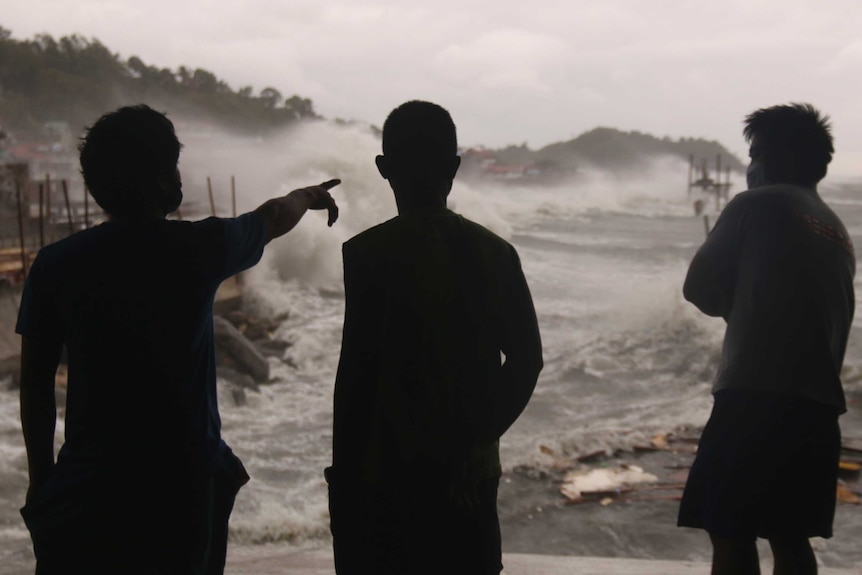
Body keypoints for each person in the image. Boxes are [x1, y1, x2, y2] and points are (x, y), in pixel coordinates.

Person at [17, 104, 339, 574]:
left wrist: (42, 481)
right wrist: (308, 194)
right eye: (172, 166)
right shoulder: (199, 249)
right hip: (182, 487)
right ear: (163, 178)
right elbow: (272, 216)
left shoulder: (55, 265)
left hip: (90, 492)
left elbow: (35, 384)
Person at [326, 100, 543, 575]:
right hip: (468, 478)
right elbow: (528, 360)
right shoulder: (495, 253)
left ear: (384, 170)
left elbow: (356, 378)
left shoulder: (364, 255)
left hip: (383, 478)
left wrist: (341, 482)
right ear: (454, 169)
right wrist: (477, 439)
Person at [678, 103, 855, 575]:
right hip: (817, 411)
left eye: (754, 155)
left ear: (775, 159)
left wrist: (739, 309)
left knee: (731, 531)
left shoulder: (755, 204)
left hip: (756, 398)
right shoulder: (837, 230)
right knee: (789, 536)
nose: (749, 167)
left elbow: (696, 288)